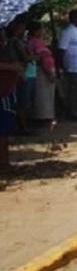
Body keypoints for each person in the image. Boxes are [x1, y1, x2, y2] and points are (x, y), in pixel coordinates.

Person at [57, 10, 77, 122]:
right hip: (73, 67)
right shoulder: (68, 32)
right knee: (74, 92)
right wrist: (62, 66)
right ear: (74, 18)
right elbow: (61, 49)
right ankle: (73, 113)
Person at [0, 27, 23, 173]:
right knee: (3, 131)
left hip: (8, 91)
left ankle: (5, 161)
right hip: (3, 95)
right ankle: (3, 163)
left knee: (5, 131)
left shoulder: (5, 50)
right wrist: (12, 66)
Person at [27, 22, 56, 126]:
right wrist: (49, 72)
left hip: (42, 69)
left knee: (43, 95)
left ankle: (42, 117)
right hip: (43, 70)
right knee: (43, 95)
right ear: (36, 31)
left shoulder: (32, 41)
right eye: (41, 29)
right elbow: (43, 58)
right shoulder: (36, 42)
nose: (43, 31)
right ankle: (43, 118)